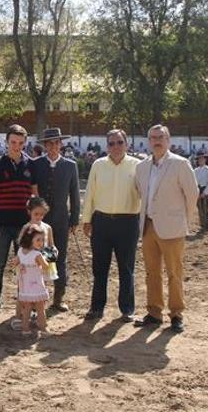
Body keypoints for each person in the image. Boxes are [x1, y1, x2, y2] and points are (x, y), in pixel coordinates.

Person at [133, 125, 199, 332]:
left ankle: (176, 314)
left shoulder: (180, 164)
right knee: (151, 273)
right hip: (148, 226)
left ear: (168, 140)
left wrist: (183, 221)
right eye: (152, 137)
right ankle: (154, 312)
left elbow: (192, 194)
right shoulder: (142, 166)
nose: (156, 141)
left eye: (160, 137)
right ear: (148, 141)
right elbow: (139, 192)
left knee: (174, 273)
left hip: (173, 228)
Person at [81, 129, 141, 322]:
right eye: (112, 143)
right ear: (107, 146)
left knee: (126, 268)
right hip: (102, 222)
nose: (116, 146)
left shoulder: (138, 166)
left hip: (128, 222)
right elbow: (90, 192)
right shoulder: (98, 165)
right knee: (100, 268)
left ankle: (127, 309)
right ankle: (97, 307)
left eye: (119, 142)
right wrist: (87, 219)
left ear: (127, 144)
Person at [0, 124, 36, 323]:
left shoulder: (30, 165)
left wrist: (35, 224)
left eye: (21, 143)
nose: (17, 146)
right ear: (7, 142)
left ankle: (27, 306)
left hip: (24, 227)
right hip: (2, 226)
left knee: (26, 266)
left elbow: (35, 195)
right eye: (13, 142)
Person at [30, 127, 80, 311]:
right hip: (40, 221)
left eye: (56, 143)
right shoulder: (36, 164)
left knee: (59, 258)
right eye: (49, 143)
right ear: (45, 145)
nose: (53, 146)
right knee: (38, 258)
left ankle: (58, 298)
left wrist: (74, 219)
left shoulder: (70, 165)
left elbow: (75, 194)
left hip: (60, 220)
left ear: (61, 144)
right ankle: (36, 298)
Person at [11, 223, 50, 335]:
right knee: (40, 308)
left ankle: (25, 329)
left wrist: (20, 266)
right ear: (30, 239)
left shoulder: (20, 251)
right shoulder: (37, 254)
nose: (41, 243)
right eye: (38, 240)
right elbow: (46, 266)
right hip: (36, 285)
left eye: (42, 240)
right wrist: (45, 259)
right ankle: (43, 328)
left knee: (27, 307)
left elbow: (15, 262)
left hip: (25, 286)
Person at [194, 152, 208, 234]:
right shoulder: (195, 170)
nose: (200, 160)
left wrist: (205, 192)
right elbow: (194, 181)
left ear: (205, 160)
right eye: (199, 159)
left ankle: (207, 226)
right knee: (200, 209)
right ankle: (202, 225)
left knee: (205, 209)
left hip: (204, 189)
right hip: (197, 190)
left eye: (202, 159)